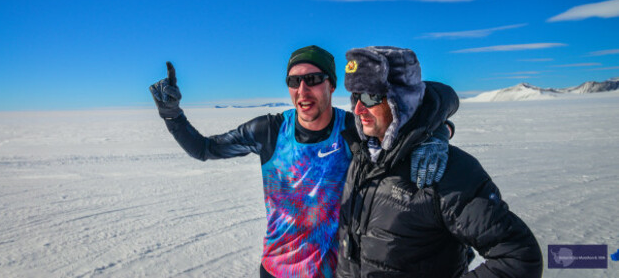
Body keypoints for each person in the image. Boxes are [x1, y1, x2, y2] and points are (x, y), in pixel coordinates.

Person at [150, 45, 453, 278]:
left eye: (313, 79)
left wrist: (436, 132)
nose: (302, 91)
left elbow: (421, 108)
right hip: (276, 271)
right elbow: (204, 149)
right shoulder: (269, 131)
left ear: (332, 85)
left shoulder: (353, 129)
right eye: (294, 81)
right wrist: (172, 115)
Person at [336, 46, 543, 278]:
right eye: (355, 96)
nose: (358, 108)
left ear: (401, 100)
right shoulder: (362, 156)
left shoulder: (447, 172)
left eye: (370, 96)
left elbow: (519, 257)